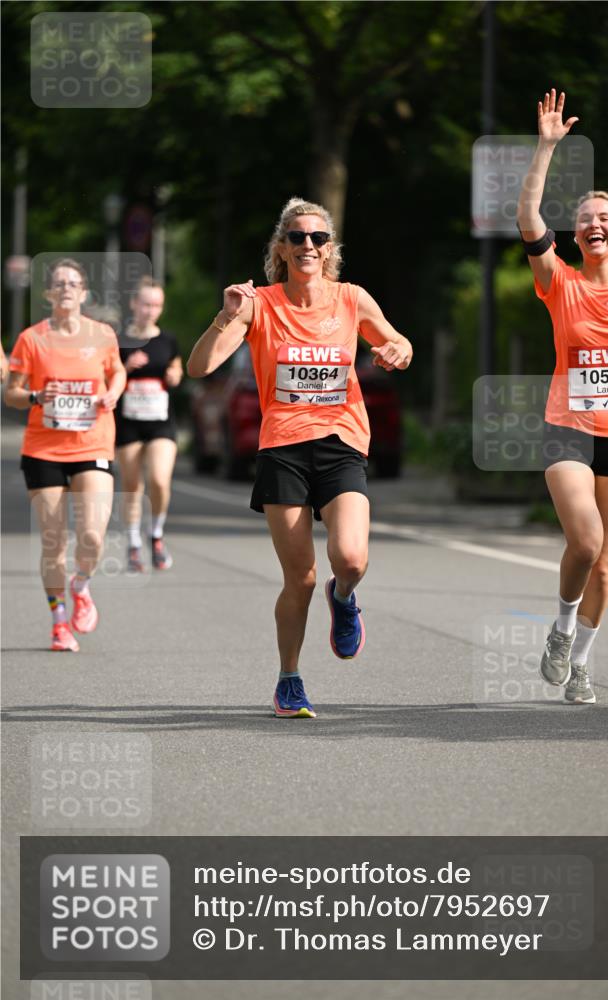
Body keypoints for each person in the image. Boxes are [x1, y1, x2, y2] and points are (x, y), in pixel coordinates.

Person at [187, 197, 412, 718]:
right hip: (283, 450)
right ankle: (289, 679)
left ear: (329, 249)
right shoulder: (258, 304)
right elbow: (200, 367)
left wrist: (399, 348)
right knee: (300, 578)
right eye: (297, 238)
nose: (307, 245)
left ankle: (346, 595)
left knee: (351, 558)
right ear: (281, 248)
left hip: (341, 444)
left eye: (316, 238)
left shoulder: (351, 298)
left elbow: (396, 339)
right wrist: (225, 316)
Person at [517, 89, 608, 704]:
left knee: (606, 562)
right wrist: (548, 147)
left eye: (605, 217)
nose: (595, 224)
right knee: (583, 542)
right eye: (585, 219)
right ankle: (559, 628)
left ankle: (579, 660)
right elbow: (527, 217)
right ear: (574, 236)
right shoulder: (559, 282)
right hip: (570, 427)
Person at [5, 258, 127, 651]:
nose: (66, 289)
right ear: (48, 294)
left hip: (93, 443)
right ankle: (59, 621)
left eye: (73, 283)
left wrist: (114, 391)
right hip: (43, 448)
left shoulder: (102, 334)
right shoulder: (32, 339)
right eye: (58, 284)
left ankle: (81, 584)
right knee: (53, 540)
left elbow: (118, 371)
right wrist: (38, 396)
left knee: (92, 535)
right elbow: (11, 393)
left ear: (84, 292)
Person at [115, 277, 183, 572]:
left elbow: (177, 368)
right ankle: (133, 542)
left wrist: (174, 375)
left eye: (156, 305)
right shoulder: (118, 341)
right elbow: (106, 377)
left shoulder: (167, 340)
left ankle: (155, 533)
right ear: (133, 304)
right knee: (132, 485)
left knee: (158, 479)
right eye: (145, 304)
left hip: (160, 421)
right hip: (128, 421)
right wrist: (124, 368)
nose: (150, 310)